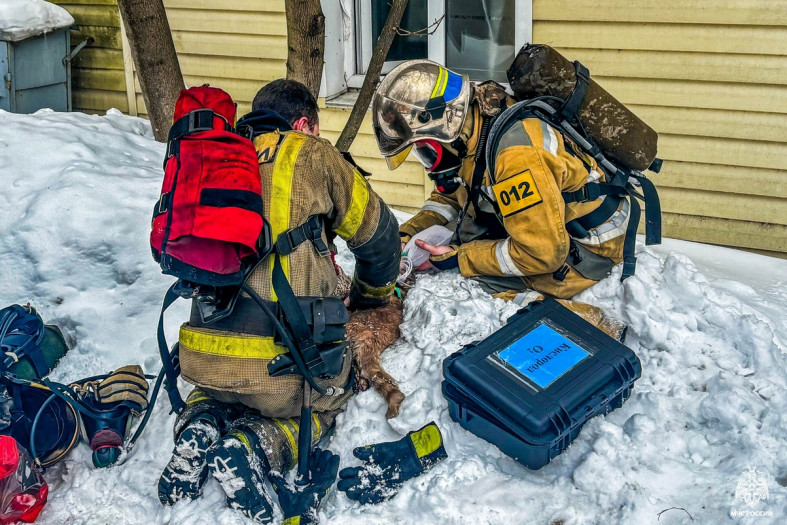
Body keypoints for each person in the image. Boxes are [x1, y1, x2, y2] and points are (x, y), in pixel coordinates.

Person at [157, 79, 401, 523]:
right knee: (329, 398)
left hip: (201, 357)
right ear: (305, 124)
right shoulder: (312, 153)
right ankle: (251, 446)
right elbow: (380, 238)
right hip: (277, 369)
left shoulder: (217, 155)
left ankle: (198, 425)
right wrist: (370, 298)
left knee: (220, 389)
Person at [371, 60, 629, 335]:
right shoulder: (477, 126)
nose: (431, 164)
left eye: (426, 150)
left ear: (445, 126)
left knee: (472, 287)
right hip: (551, 227)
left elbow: (542, 255)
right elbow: (451, 196)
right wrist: (408, 234)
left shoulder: (515, 157)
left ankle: (595, 325)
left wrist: (459, 258)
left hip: (586, 248)